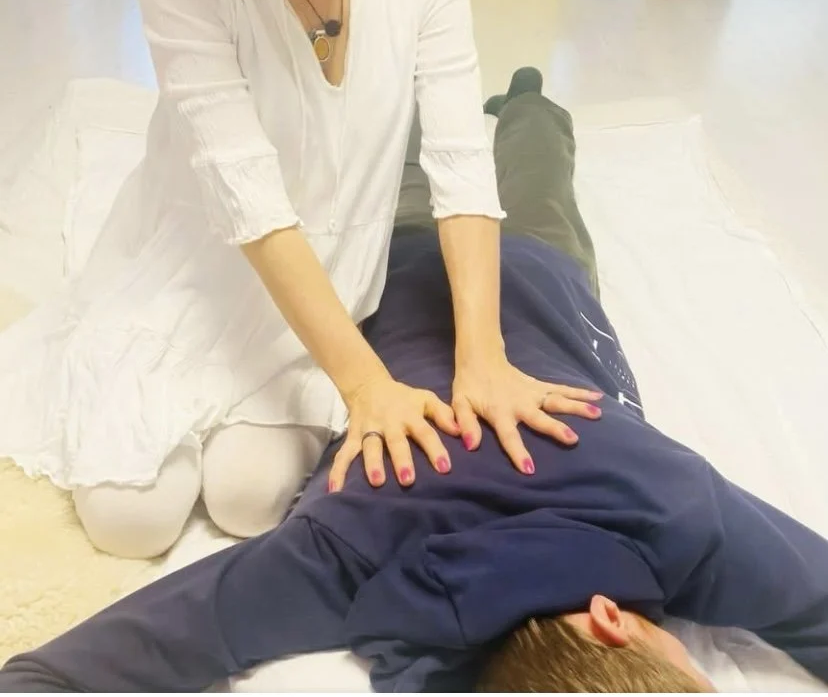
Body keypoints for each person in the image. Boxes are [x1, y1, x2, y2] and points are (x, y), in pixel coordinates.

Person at [0, 0, 594, 559]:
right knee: (131, 520)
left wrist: (483, 357)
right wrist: (364, 387)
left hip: (328, 279)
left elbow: (461, 168)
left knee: (248, 500)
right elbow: (249, 198)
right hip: (203, 273)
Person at [3, 71, 828, 695]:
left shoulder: (678, 513)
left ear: (612, 623)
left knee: (520, 181)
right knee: (441, 165)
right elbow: (79, 666)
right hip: (431, 269)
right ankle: (482, 92)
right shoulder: (346, 553)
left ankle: (515, 98)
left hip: (505, 272)